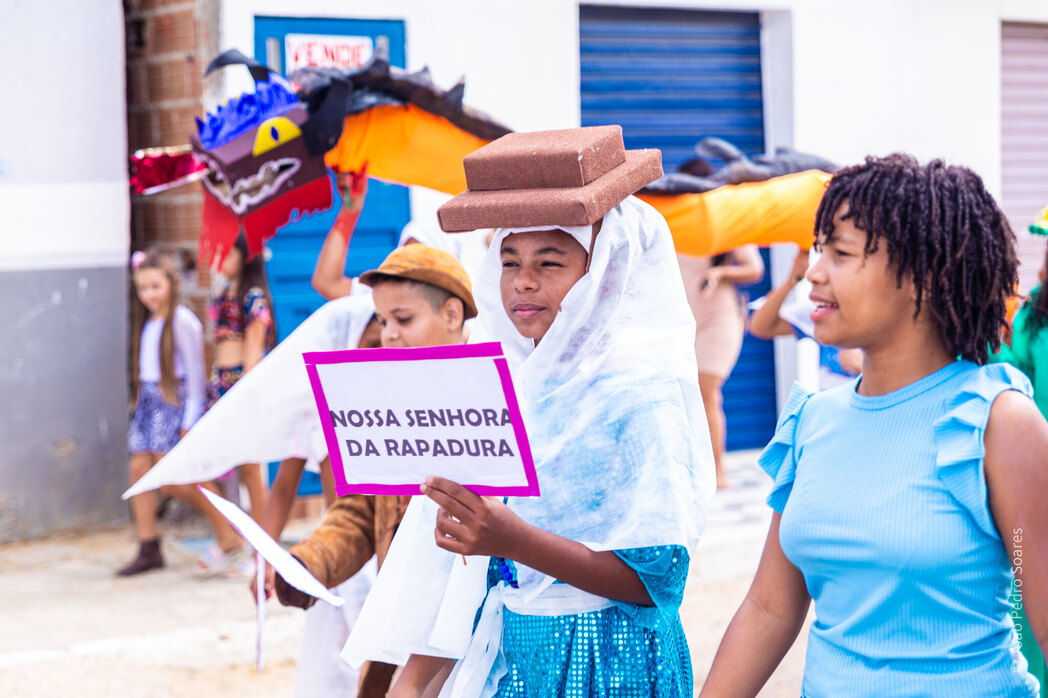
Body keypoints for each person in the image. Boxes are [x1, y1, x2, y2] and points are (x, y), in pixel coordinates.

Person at [343, 127, 716, 697]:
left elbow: (657, 582)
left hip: (611, 666)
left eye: (551, 262)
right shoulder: (511, 390)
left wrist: (513, 540)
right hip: (516, 659)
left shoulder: (641, 396)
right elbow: (465, 564)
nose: (523, 283)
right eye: (510, 260)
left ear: (605, 273)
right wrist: (413, 682)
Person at [700, 154, 1047, 697]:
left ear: (924, 275)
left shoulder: (998, 422)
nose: (812, 272)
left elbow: (1040, 611)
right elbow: (769, 608)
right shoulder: (811, 421)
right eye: (818, 250)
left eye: (840, 253)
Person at [273, 243, 478, 698]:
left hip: (477, 640)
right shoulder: (383, 399)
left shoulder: (493, 395)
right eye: (382, 322)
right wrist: (309, 565)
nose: (388, 335)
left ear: (451, 315)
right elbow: (359, 512)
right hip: (401, 635)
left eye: (403, 320)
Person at [118, 247, 243, 576]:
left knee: (174, 478)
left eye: (155, 286)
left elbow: (196, 374)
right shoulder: (149, 320)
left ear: (171, 284)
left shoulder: (183, 321)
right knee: (139, 471)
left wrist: (189, 420)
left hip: (173, 404)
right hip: (148, 403)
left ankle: (229, 533)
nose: (149, 294)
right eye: (143, 287)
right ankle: (149, 546)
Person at [195, 234, 274, 574]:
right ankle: (233, 540)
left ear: (245, 256)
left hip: (240, 386)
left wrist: (247, 396)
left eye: (227, 251)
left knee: (251, 472)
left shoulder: (253, 298)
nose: (219, 257)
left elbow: (253, 351)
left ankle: (264, 551)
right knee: (217, 466)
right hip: (220, 386)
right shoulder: (223, 291)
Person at [992, 237, 1048, 692]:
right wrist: (991, 337)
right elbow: (1012, 375)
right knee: (1028, 593)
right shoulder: (1032, 316)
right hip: (1037, 473)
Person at [677, 245, 764, 488]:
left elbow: (754, 269)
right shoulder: (669, 221)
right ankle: (688, 469)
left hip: (718, 317)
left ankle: (717, 473)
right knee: (681, 395)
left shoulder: (719, 217)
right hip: (679, 321)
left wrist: (721, 273)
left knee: (706, 394)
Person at [749, 247, 863, 389]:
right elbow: (761, 326)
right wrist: (791, 281)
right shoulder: (823, 311)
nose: (813, 274)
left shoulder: (887, 315)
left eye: (841, 255)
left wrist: (866, 367)